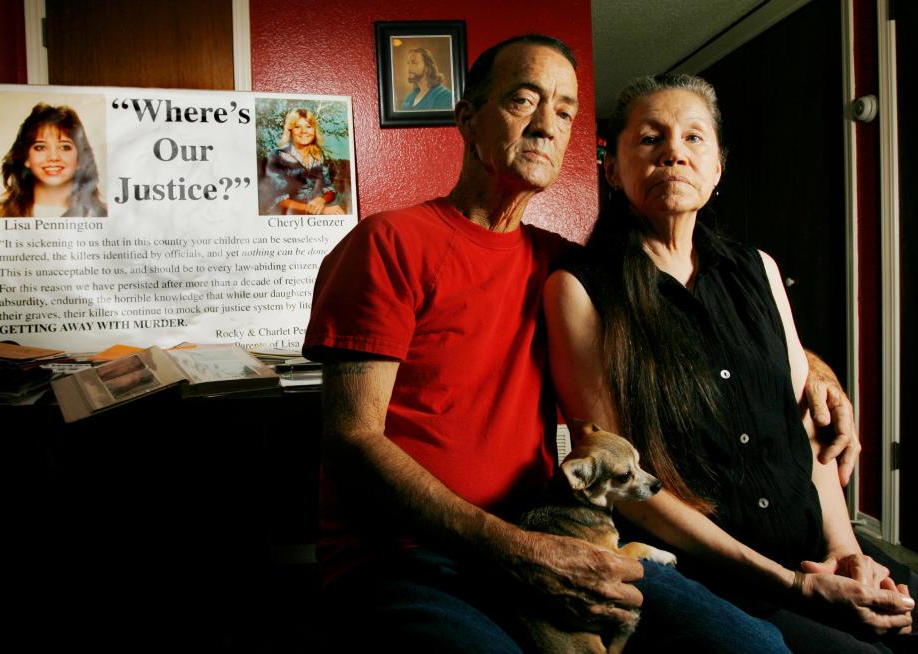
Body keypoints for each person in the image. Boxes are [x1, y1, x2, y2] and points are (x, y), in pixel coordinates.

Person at [303, 35, 859, 653]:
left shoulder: (564, 268)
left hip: (553, 535)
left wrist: (814, 371)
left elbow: (708, 338)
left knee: (754, 647)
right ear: (468, 118)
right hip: (409, 557)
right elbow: (351, 439)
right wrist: (519, 550)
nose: (546, 126)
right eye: (523, 100)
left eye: (564, 112)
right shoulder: (389, 242)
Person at [543, 73, 915, 653]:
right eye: (650, 138)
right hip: (703, 575)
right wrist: (794, 586)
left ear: (717, 167)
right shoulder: (580, 289)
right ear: (612, 169)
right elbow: (619, 480)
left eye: (694, 138)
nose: (673, 152)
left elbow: (804, 426)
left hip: (809, 557)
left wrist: (848, 554)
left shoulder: (758, 269)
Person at [0, 103, 107, 218]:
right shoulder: (0, 214)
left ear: (80, 159)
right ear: (26, 158)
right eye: (40, 147)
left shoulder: (102, 215)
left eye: (65, 147)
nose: (53, 157)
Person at [259, 108, 345, 215]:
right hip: (284, 218)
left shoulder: (318, 156)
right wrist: (320, 210)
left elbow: (329, 189)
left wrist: (321, 200)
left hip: (311, 216)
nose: (303, 131)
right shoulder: (277, 156)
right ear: (290, 131)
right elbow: (278, 198)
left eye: (308, 126)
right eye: (297, 127)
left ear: (314, 130)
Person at [399, 47, 454, 111]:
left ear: (427, 67)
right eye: (408, 63)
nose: (409, 67)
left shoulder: (444, 96)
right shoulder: (408, 98)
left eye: (414, 62)